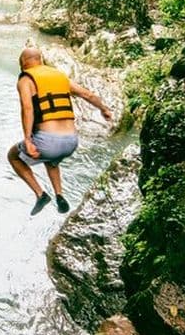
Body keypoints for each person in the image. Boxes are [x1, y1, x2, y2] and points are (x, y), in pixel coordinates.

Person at [7, 48, 113, 215]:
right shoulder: (59, 76)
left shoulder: (26, 80)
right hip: (71, 142)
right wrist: (104, 109)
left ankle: (40, 194)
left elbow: (27, 108)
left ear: (24, 63)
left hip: (48, 142)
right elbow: (88, 94)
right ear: (40, 60)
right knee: (52, 159)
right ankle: (59, 195)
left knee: (13, 156)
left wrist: (27, 139)